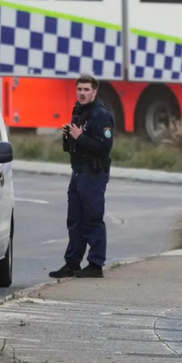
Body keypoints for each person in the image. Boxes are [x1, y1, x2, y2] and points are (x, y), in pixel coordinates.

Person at [49, 75, 115, 280]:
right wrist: (69, 137)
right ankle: (72, 263)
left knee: (92, 219)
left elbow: (104, 147)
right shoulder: (79, 112)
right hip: (78, 172)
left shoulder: (100, 115)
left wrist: (81, 137)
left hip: (93, 174)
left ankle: (95, 265)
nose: (82, 93)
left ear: (94, 92)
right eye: (80, 89)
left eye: (86, 89)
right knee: (75, 220)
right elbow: (73, 146)